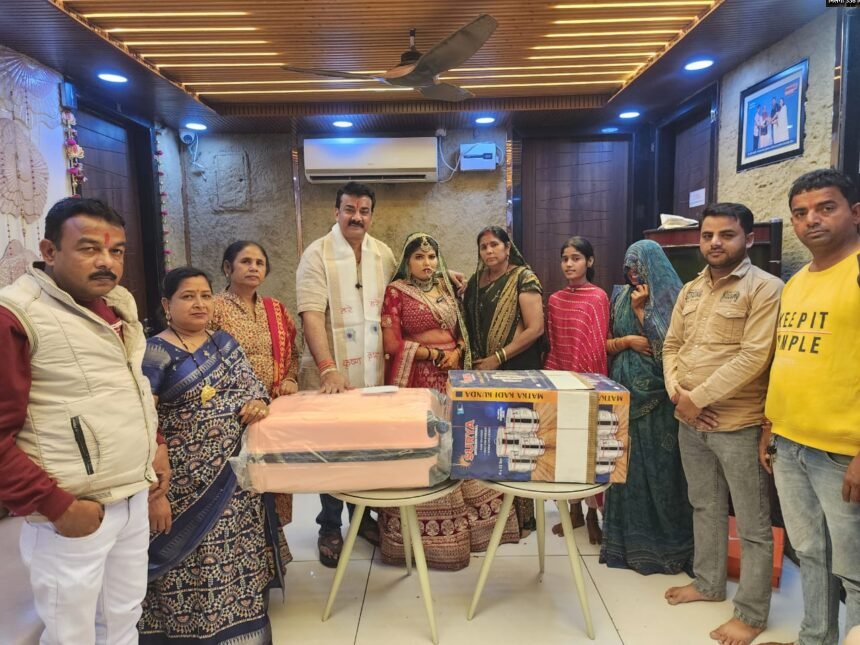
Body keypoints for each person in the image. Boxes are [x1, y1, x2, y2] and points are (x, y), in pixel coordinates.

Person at [0, 197, 166, 644]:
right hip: (73, 510)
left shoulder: (116, 305)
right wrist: (56, 505)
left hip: (131, 495)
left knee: (122, 619)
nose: (107, 262)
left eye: (116, 251)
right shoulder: (16, 314)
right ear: (49, 251)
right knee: (71, 633)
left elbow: (128, 389)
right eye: (90, 248)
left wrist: (155, 444)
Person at [139, 266, 288, 644]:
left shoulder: (223, 343)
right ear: (166, 304)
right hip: (180, 483)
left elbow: (255, 387)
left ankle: (239, 629)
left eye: (205, 295)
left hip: (235, 479)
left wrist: (258, 402)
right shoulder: (154, 352)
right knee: (186, 556)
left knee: (236, 551)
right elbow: (142, 421)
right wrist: (154, 494)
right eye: (188, 296)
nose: (199, 303)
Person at [662, 203, 783, 645]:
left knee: (751, 523)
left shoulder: (765, 287)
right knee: (704, 506)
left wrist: (697, 399)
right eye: (707, 235)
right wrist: (678, 394)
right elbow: (671, 346)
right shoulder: (690, 290)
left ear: (748, 239)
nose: (715, 243)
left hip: (737, 423)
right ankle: (709, 583)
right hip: (689, 420)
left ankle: (750, 614)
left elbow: (755, 357)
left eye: (726, 235)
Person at [759, 168, 860, 645]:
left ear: (855, 213)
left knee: (854, 569)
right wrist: (770, 426)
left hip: (843, 451)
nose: (811, 220)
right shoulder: (797, 282)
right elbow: (787, 358)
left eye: (825, 208)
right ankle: (814, 639)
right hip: (789, 441)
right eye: (800, 213)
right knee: (810, 553)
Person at [378, 232, 520, 570]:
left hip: (451, 378)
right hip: (417, 381)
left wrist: (457, 352)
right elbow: (393, 344)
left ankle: (475, 530)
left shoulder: (446, 287)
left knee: (459, 445)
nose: (426, 263)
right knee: (427, 448)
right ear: (407, 261)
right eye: (419, 257)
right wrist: (432, 354)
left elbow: (462, 333)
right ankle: (425, 539)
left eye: (431, 256)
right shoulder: (396, 291)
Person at [295, 181, 397, 567]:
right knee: (333, 451)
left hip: (375, 374)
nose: (357, 217)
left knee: (368, 447)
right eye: (349, 209)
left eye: (364, 210)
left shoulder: (382, 253)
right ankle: (329, 526)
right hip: (333, 376)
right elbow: (310, 314)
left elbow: (403, 292)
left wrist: (444, 275)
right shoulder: (317, 253)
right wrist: (328, 369)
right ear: (335, 212)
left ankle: (363, 516)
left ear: (372, 215)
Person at [599, 239, 694, 578]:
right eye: (629, 269)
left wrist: (642, 313)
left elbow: (670, 350)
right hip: (624, 396)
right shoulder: (618, 296)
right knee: (626, 470)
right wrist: (626, 341)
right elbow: (604, 343)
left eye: (638, 268)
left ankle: (667, 547)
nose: (633, 276)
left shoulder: (674, 298)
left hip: (658, 401)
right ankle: (625, 545)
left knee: (661, 471)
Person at [211, 240, 299, 561]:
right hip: (234, 414)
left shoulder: (275, 309)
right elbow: (204, 360)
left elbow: (293, 353)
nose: (253, 268)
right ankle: (243, 560)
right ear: (227, 267)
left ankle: (273, 557)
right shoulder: (214, 308)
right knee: (240, 489)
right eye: (245, 261)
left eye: (259, 263)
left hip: (273, 411)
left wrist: (291, 378)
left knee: (271, 485)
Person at [463, 225, 545, 534]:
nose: (489, 251)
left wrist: (499, 357)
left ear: (508, 248)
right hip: (485, 373)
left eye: (495, 245)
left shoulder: (524, 278)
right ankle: (494, 517)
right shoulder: (475, 282)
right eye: (483, 246)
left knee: (517, 442)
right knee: (489, 444)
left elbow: (535, 328)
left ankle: (523, 517)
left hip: (516, 369)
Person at [543, 236, 610, 544]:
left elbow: (596, 345)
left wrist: (585, 383)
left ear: (589, 262)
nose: (569, 264)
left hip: (589, 382)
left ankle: (593, 514)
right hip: (560, 379)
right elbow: (555, 343)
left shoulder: (598, 297)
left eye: (576, 258)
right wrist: (555, 380)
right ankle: (573, 512)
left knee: (589, 450)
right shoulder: (555, 300)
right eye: (565, 258)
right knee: (565, 448)